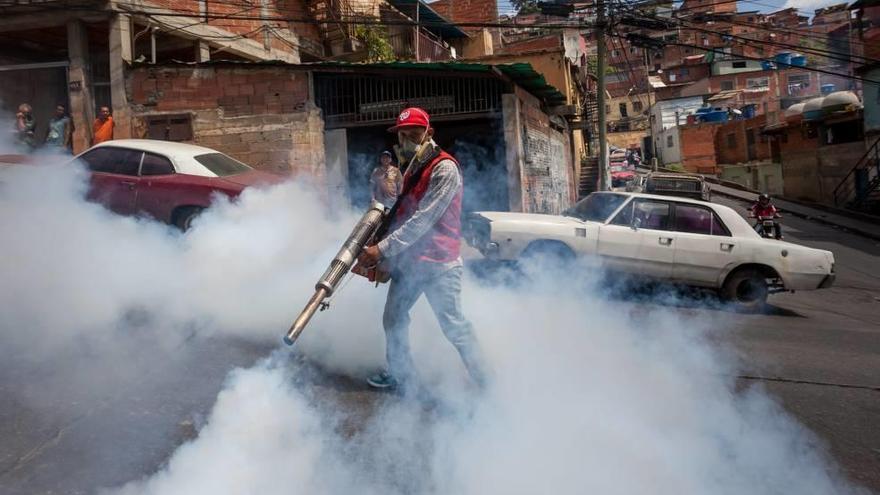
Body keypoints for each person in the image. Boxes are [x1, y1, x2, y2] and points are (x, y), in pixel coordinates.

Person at [357, 107, 487, 391]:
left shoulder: (445, 168)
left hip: (439, 264)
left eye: (414, 134)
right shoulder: (411, 166)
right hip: (410, 263)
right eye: (403, 135)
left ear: (429, 133)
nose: (407, 141)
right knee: (393, 318)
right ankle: (400, 373)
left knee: (453, 326)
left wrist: (382, 249)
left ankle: (485, 381)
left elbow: (423, 220)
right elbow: (402, 210)